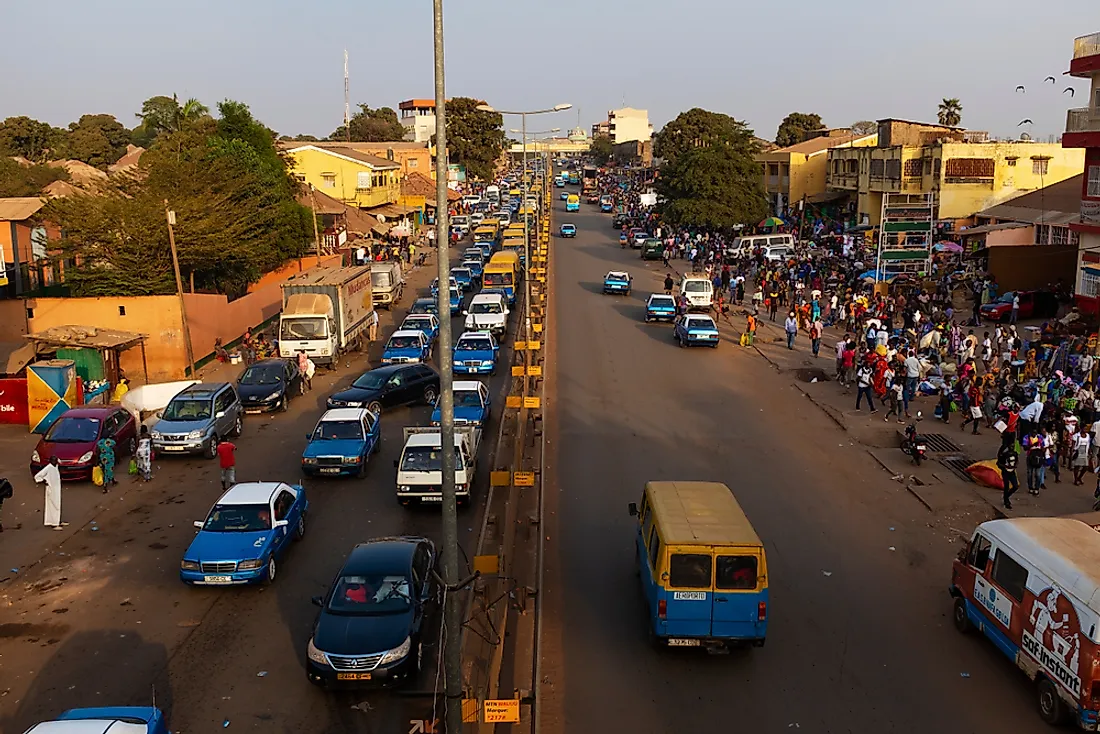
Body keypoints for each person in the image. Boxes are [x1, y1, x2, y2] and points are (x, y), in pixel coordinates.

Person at [34, 457, 63, 529]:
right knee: (54, 505)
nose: (55, 462)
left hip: (56, 489)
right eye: (53, 461)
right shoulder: (48, 468)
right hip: (51, 489)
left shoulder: (55, 466)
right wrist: (44, 481)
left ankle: (57, 521)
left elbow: (60, 461)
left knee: (57, 504)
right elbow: (37, 476)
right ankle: (54, 524)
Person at [997, 434, 1020, 510]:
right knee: (1006, 486)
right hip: (1005, 472)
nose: (1012, 448)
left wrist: (1015, 465)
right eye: (1011, 446)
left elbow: (1017, 461)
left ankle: (1006, 496)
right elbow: (999, 463)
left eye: (1013, 447)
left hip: (1012, 471)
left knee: (1015, 486)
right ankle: (1006, 501)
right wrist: (1005, 467)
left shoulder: (1015, 454)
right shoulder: (1005, 455)